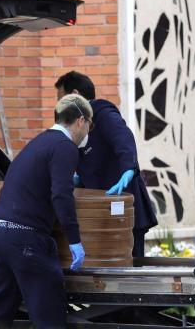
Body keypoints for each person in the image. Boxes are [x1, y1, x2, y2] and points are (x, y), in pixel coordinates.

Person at [0, 94, 92, 329]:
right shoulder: (65, 147)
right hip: (27, 240)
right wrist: (75, 240)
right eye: (90, 125)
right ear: (81, 121)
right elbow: (61, 195)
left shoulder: (38, 142)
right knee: (49, 317)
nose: (88, 132)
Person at [55, 71, 158, 257]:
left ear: (76, 95)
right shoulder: (75, 127)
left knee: (132, 270)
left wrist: (128, 169)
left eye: (61, 100)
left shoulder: (102, 113)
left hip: (127, 209)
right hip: (103, 213)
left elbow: (124, 138)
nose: (59, 108)